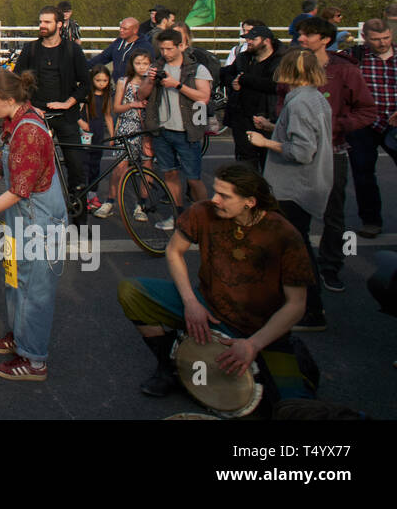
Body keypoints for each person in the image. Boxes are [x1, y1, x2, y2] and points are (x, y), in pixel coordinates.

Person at [118, 165, 318, 408]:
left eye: (224, 196)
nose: (214, 200)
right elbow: (173, 251)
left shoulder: (284, 234)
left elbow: (296, 305)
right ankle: (169, 368)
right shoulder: (202, 212)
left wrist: (253, 344)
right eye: (215, 191)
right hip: (208, 308)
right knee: (131, 292)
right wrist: (191, 302)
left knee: (294, 406)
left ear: (250, 202)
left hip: (259, 329)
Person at [0, 68, 67, 381]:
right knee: (15, 279)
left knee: (35, 291)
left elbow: (21, 191)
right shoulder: (16, 118)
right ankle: (20, 336)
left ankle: (34, 360)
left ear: (9, 99)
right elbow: (8, 154)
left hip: (40, 221)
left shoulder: (30, 130)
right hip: (24, 216)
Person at [271, 16, 377, 300]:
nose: (301, 38)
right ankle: (300, 277)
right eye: (300, 34)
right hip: (295, 156)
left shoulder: (345, 70)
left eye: (308, 34)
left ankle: (329, 267)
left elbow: (367, 112)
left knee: (333, 214)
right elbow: (283, 103)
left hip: (332, 153)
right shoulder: (294, 67)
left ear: (326, 39)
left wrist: (332, 126)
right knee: (294, 218)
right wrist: (280, 124)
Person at [246, 48, 332, 331]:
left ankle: (309, 310)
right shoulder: (314, 98)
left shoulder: (300, 103)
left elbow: (302, 151)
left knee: (295, 251)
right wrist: (274, 127)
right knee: (294, 247)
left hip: (295, 187)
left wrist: (265, 142)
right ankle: (299, 306)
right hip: (306, 185)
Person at [13, 6, 91, 217]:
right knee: (33, 167)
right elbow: (17, 81)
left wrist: (68, 103)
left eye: (47, 22)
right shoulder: (30, 50)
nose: (42, 26)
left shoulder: (72, 50)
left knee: (76, 168)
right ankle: (35, 215)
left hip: (66, 116)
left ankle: (79, 220)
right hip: (36, 116)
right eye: (40, 22)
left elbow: (86, 83)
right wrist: (31, 107)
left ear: (59, 24)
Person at [138, 28, 212, 229]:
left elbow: (203, 97)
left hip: (187, 131)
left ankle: (205, 217)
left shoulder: (196, 69)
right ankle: (177, 214)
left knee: (193, 178)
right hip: (162, 130)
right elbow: (141, 96)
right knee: (169, 173)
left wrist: (177, 85)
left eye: (169, 49)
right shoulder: (156, 66)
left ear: (181, 46)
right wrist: (150, 80)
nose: (165, 53)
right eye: (162, 49)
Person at [346, 18, 397, 238]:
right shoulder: (354, 57)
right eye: (376, 39)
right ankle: (370, 221)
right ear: (365, 38)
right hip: (363, 124)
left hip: (396, 122)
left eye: (386, 38)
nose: (382, 43)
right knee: (363, 174)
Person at [218, 25, 285, 171]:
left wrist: (244, 79)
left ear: (266, 41)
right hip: (242, 119)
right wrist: (233, 81)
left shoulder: (281, 61)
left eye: (253, 39)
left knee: (270, 166)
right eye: (247, 39)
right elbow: (226, 73)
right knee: (245, 166)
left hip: (267, 118)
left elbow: (275, 86)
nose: (248, 42)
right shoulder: (243, 58)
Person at [99, 50, 154, 220]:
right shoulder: (124, 82)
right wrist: (133, 105)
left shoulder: (154, 83)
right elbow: (116, 108)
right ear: (132, 64)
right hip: (126, 127)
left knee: (146, 166)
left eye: (145, 63)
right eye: (138, 63)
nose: (141, 67)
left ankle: (142, 204)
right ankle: (110, 201)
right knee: (120, 167)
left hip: (146, 129)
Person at [80, 66, 116, 213]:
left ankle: (92, 195)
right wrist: (81, 123)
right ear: (92, 79)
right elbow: (76, 111)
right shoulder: (87, 94)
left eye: (105, 80)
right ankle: (83, 196)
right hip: (86, 132)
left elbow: (108, 115)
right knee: (84, 165)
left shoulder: (107, 95)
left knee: (95, 164)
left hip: (99, 133)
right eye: (98, 80)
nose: (101, 83)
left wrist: (112, 136)